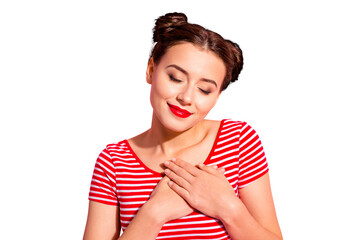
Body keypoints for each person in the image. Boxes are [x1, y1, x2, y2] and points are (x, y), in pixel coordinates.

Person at [83, 12, 282, 240]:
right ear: (151, 71)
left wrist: (228, 207)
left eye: (205, 89)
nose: (187, 97)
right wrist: (154, 213)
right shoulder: (113, 161)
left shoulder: (238, 141)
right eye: (176, 78)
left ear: (216, 96)